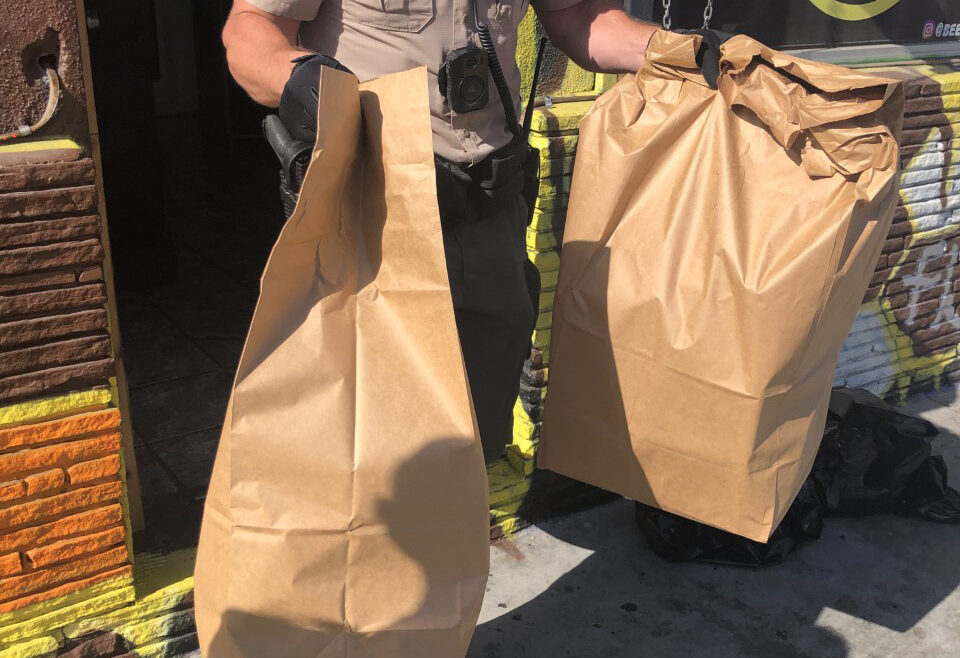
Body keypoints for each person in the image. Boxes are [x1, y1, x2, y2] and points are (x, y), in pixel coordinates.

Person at [221, 0, 658, 462]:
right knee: (371, 446)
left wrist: (673, 50)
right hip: (374, 222)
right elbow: (251, 29)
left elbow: (577, 18)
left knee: (474, 436)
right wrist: (297, 77)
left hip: (492, 220)